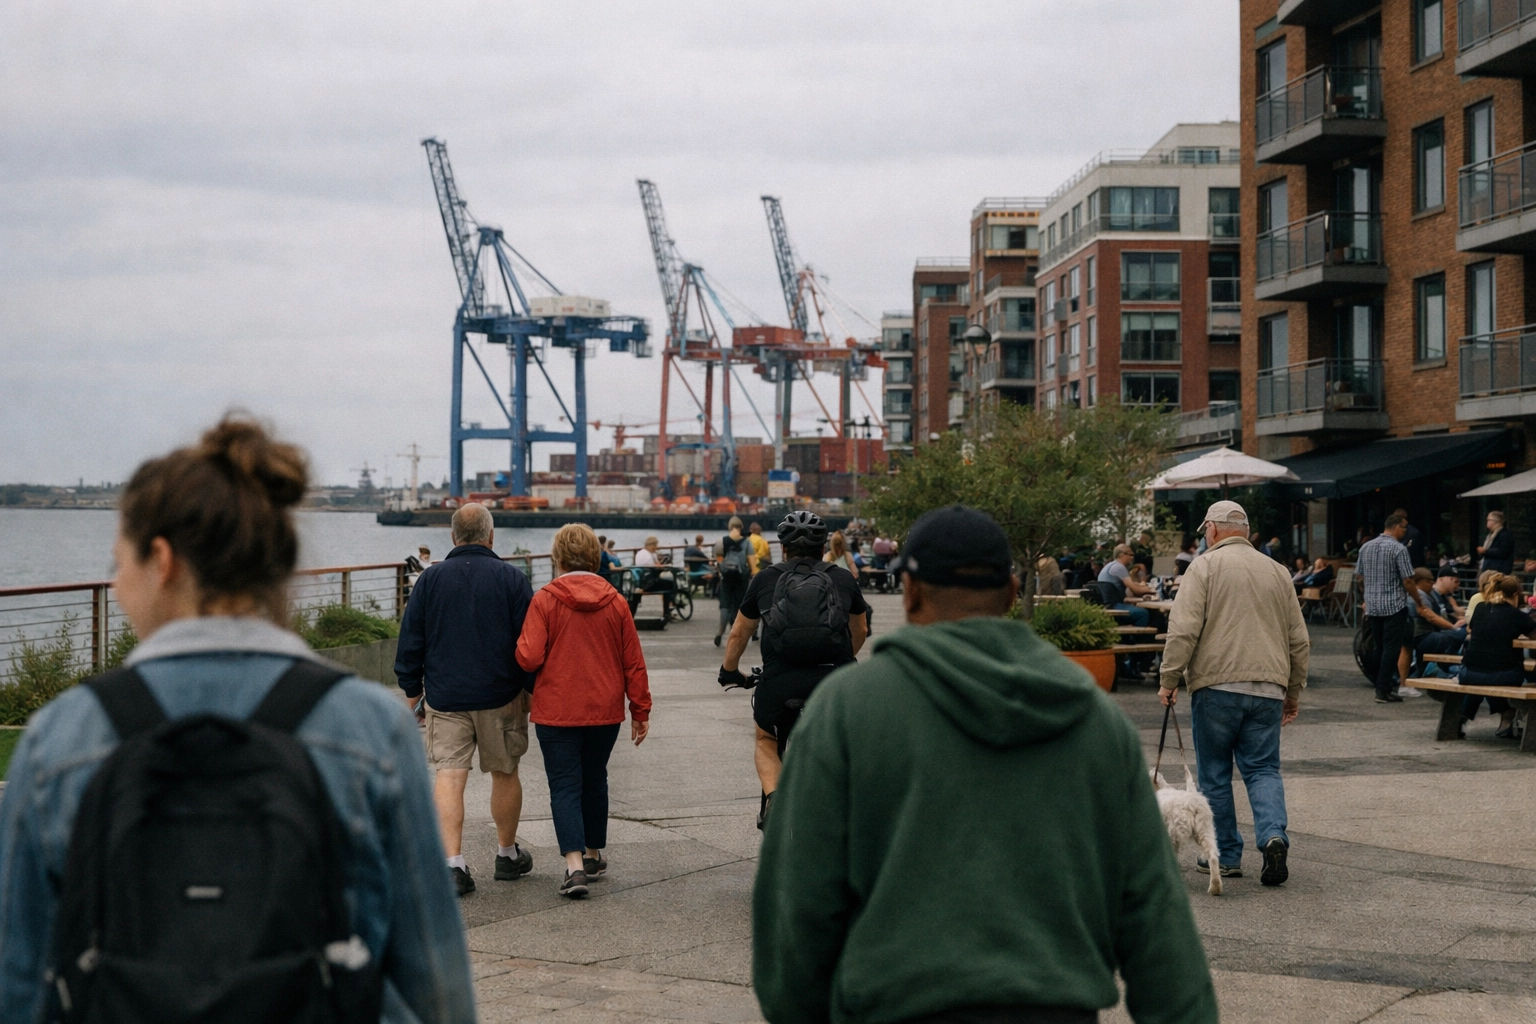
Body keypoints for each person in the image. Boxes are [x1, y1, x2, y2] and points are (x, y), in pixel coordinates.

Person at [0, 416, 475, 1022]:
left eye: (120, 564)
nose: (116, 586)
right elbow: (436, 985)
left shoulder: (59, 739)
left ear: (163, 562)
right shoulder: (370, 729)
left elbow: (19, 987)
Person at [754, 504, 1218, 1024]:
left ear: (908, 592)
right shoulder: (1094, 723)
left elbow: (797, 903)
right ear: (1013, 592)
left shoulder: (845, 711)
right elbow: (1155, 919)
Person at [1159, 500, 1307, 888]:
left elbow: (1184, 629)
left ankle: (1224, 857)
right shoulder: (1278, 571)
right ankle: (1273, 836)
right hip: (1269, 688)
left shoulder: (1203, 567)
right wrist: (1292, 691)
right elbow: (1298, 640)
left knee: (1215, 774)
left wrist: (1169, 678)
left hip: (1217, 686)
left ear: (1213, 529)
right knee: (1263, 769)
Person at [395, 502, 535, 897]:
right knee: (505, 772)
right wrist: (530, 688)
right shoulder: (512, 579)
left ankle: (452, 864)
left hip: (446, 695)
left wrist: (413, 692)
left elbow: (411, 641)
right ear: (491, 537)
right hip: (501, 694)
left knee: (449, 776)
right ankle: (507, 855)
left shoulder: (430, 580)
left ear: (453, 537)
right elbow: (528, 643)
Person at [516, 524, 651, 897]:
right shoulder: (616, 601)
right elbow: (633, 663)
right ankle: (592, 853)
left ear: (556, 558)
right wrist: (640, 709)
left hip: (556, 709)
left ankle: (574, 868)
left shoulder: (544, 599)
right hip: (604, 710)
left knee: (564, 785)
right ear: (595, 557)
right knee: (594, 778)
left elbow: (528, 656)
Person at [719, 511, 869, 830]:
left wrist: (729, 671)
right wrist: (844, 658)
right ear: (822, 546)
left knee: (765, 739)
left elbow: (739, 633)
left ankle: (775, 798)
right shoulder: (842, 578)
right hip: (833, 680)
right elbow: (861, 628)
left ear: (783, 549)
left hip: (780, 679)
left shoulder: (766, 579)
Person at [1457, 573, 1536, 738]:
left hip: (1467, 674)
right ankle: (1507, 715)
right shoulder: (1516, 615)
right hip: (1504, 675)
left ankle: (1462, 716)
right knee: (1498, 674)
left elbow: (1473, 628)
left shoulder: (1480, 608)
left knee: (1484, 674)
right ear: (1515, 594)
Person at [1358, 512, 1417, 703]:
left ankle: (1381, 684)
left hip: (1373, 606)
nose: (1406, 531)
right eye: (1404, 527)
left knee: (1379, 646)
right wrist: (1419, 600)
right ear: (1396, 527)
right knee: (1392, 648)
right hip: (1394, 605)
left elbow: (1359, 576)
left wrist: (1366, 596)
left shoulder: (1365, 547)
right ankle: (1383, 689)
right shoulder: (1399, 549)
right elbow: (1407, 579)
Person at [715, 516, 751, 648]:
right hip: (741, 577)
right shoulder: (747, 542)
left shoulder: (721, 541)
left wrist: (722, 571)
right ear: (741, 528)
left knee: (725, 605)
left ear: (730, 527)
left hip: (726, 577)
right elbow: (751, 560)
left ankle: (719, 633)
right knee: (738, 605)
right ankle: (734, 633)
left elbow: (719, 560)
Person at [1097, 543, 1153, 627]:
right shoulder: (1119, 567)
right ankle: (1138, 639)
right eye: (1130, 555)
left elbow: (1131, 587)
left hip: (1106, 605)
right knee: (1143, 613)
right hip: (1114, 606)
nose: (1132, 557)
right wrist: (1152, 590)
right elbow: (1135, 590)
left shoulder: (1109, 565)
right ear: (1121, 554)